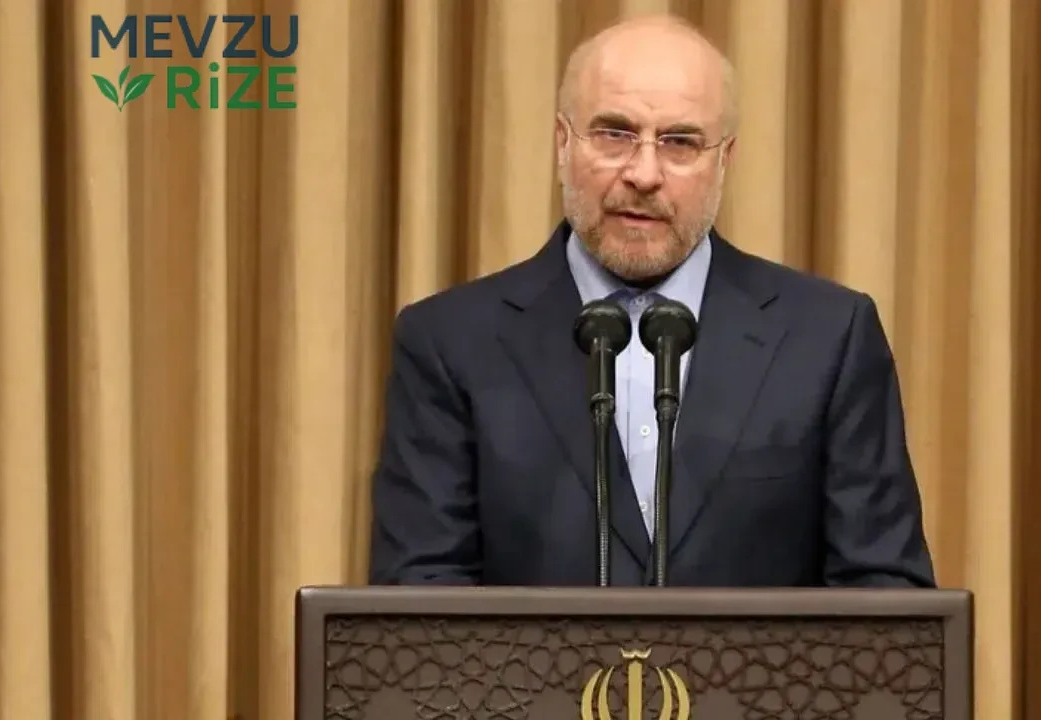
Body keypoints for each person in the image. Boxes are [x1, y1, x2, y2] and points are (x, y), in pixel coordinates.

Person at [368, 15, 936, 588]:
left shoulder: (828, 339)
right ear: (563, 143)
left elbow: (885, 600)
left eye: (680, 143)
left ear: (725, 160)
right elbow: (420, 600)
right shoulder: (449, 344)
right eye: (614, 134)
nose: (643, 174)